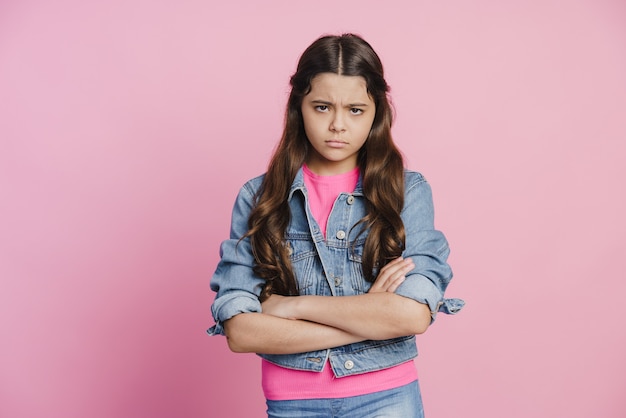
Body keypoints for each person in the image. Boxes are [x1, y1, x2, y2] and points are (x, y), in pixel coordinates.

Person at [207, 33, 464, 417]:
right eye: (323, 107)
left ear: (377, 110)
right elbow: (241, 333)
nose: (338, 125)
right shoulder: (258, 197)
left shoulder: (407, 192)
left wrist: (291, 307)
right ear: (300, 107)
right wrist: (372, 314)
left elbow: (412, 315)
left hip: (388, 399)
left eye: (356, 110)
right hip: (293, 403)